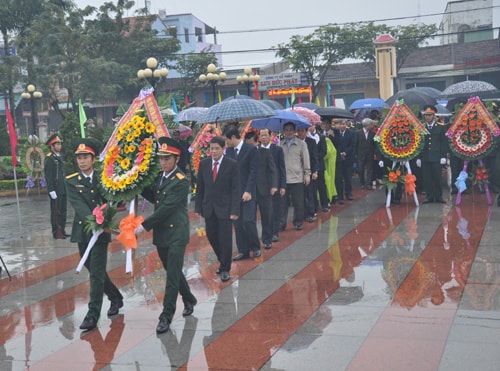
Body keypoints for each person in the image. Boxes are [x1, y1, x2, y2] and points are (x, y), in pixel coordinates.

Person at [138, 137, 198, 334]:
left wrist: (143, 225)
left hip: (176, 233)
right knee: (172, 271)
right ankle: (189, 297)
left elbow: (165, 208)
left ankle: (166, 315)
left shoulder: (181, 181)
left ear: (176, 158)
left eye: (167, 159)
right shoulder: (160, 177)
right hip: (162, 233)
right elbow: (154, 195)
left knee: (172, 275)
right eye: (161, 159)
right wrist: (135, 185)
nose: (163, 162)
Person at [66, 138, 124, 331]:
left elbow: (112, 199)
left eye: (85, 157)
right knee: (94, 271)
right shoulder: (71, 181)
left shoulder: (104, 178)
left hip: (101, 234)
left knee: (97, 274)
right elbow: (79, 206)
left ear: (93, 158)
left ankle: (93, 315)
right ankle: (116, 297)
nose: (82, 161)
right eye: (79, 158)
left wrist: (108, 214)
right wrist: (96, 219)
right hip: (84, 231)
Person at [195, 136, 240, 282]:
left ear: (223, 149)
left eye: (217, 149)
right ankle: (223, 260)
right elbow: (200, 187)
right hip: (209, 208)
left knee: (225, 239)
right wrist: (198, 207)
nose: (214, 151)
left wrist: (234, 210)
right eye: (211, 149)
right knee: (212, 236)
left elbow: (235, 189)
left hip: (225, 209)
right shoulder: (204, 164)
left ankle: (225, 268)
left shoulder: (231, 164)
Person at [223, 126, 261, 260]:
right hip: (234, 193)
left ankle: (255, 247)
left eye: (227, 140)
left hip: (248, 191)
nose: (226, 143)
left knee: (248, 221)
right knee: (238, 223)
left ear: (233, 138)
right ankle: (243, 251)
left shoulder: (251, 150)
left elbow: (253, 172)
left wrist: (248, 190)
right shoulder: (228, 152)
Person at [244, 130, 277, 249]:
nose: (249, 146)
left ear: (256, 142)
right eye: (247, 144)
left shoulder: (265, 152)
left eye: (251, 143)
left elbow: (272, 169)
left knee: (267, 215)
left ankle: (267, 239)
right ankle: (252, 241)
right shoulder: (245, 154)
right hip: (250, 190)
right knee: (249, 218)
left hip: (264, 188)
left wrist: (274, 185)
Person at [280, 122, 310, 230]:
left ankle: (298, 222)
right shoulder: (279, 145)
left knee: (298, 203)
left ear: (295, 131)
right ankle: (282, 223)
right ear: (283, 131)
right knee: (282, 204)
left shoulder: (301, 144)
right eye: (286, 130)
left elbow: (306, 161)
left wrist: (307, 174)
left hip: (297, 178)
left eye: (291, 130)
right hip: (283, 179)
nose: (289, 132)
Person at [259, 128, 286, 243]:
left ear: (271, 136)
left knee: (275, 210)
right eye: (262, 135)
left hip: (275, 184)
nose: (263, 138)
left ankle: (275, 232)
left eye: (265, 135)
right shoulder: (257, 150)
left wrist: (282, 186)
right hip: (262, 186)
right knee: (265, 212)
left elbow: (281, 168)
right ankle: (267, 233)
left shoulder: (277, 150)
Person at [418, 105, 449, 203]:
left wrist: (443, 156)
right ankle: (429, 196)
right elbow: (418, 143)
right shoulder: (422, 128)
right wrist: (419, 157)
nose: (428, 117)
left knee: (437, 178)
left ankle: (439, 196)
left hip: (436, 157)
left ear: (434, 115)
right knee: (427, 178)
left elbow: (443, 142)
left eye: (430, 115)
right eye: (426, 115)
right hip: (425, 157)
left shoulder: (440, 127)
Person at [44, 133, 68, 239]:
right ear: (51, 146)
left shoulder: (58, 157)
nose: (59, 146)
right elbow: (48, 176)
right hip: (56, 190)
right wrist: (51, 190)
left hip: (62, 189)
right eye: (57, 144)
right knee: (56, 211)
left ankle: (62, 230)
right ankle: (56, 232)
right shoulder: (49, 159)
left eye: (59, 144)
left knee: (63, 211)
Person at [331, 118, 357, 203]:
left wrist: (345, 153)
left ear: (346, 124)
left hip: (347, 158)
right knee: (339, 178)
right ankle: (339, 194)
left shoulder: (351, 133)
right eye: (340, 124)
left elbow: (352, 146)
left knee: (348, 177)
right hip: (338, 158)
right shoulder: (334, 133)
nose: (342, 126)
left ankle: (348, 193)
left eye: (344, 124)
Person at [296, 126, 318, 222]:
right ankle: (303, 212)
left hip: (309, 171)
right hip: (298, 172)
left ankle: (311, 213)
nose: (300, 133)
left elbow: (315, 157)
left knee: (310, 193)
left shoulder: (311, 142)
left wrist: (315, 171)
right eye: (299, 130)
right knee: (301, 194)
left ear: (306, 131)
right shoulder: (295, 142)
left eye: (302, 130)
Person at [356, 118, 376, 190]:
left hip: (370, 154)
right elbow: (356, 144)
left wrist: (374, 153)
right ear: (367, 125)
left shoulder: (373, 134)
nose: (372, 126)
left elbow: (374, 144)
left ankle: (368, 184)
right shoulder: (358, 133)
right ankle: (362, 182)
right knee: (360, 169)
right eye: (371, 124)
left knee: (370, 169)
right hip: (360, 154)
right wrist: (356, 154)